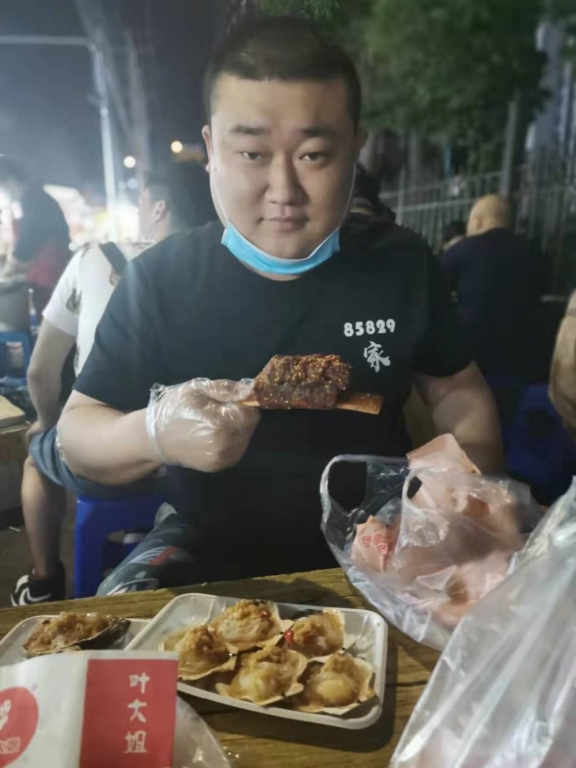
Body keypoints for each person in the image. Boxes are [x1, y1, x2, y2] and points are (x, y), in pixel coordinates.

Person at [58, 17, 502, 595]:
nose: (284, 190)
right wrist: (154, 434)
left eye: (314, 155)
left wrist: (461, 497)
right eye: (251, 153)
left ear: (355, 148)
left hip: (380, 541)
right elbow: (78, 435)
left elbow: (459, 392)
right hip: (208, 543)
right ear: (211, 150)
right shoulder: (159, 281)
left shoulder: (401, 264)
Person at [11, 162, 215, 605]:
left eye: (141, 201)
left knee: (36, 456)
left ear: (158, 208)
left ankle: (43, 581)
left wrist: (45, 423)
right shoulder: (221, 266)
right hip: (203, 460)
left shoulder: (97, 257)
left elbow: (41, 372)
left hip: (111, 462)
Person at [441, 194, 544, 428]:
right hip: (522, 359)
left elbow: (431, 290)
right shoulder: (533, 251)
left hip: (472, 359)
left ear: (477, 221)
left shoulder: (463, 250)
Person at [0, 157, 70, 314]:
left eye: (2, 187)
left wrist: (9, 268)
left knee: (47, 315)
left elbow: (28, 239)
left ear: (10, 180)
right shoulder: (36, 197)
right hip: (47, 272)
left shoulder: (33, 200)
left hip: (47, 274)